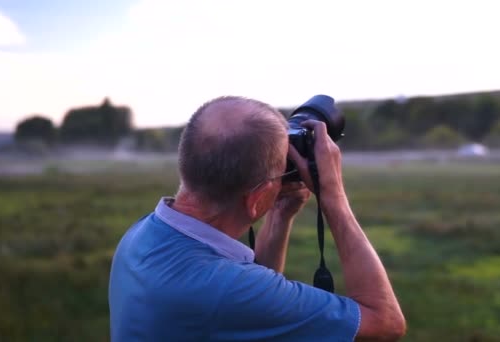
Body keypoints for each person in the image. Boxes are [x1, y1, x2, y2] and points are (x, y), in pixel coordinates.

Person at [109, 96, 405, 341]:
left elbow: (247, 300)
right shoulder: (226, 289)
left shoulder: (142, 234)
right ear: (256, 199)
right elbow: (385, 322)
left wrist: (279, 212)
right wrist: (334, 198)